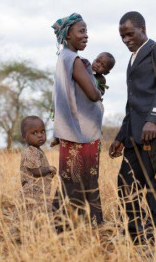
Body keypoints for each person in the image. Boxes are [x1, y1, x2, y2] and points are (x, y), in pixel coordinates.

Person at [109, 11, 156, 248]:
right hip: (133, 138)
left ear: (143, 29)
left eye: (130, 34)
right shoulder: (132, 59)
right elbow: (132, 104)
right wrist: (120, 137)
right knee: (125, 186)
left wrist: (155, 119)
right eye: (122, 36)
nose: (126, 39)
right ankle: (138, 238)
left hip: (154, 135)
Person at [51, 13, 104, 228]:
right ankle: (88, 226)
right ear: (68, 34)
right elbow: (92, 94)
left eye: (86, 31)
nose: (86, 36)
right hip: (82, 134)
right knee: (85, 181)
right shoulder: (73, 60)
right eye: (81, 31)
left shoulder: (64, 58)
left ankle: (62, 224)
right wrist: (98, 89)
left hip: (71, 132)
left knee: (70, 180)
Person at [20, 116, 57, 213]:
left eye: (42, 132)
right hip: (33, 193)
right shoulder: (31, 151)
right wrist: (49, 169)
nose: (40, 135)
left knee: (38, 213)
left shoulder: (37, 150)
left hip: (40, 192)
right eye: (34, 133)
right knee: (32, 213)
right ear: (24, 137)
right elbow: (36, 171)